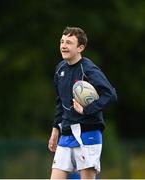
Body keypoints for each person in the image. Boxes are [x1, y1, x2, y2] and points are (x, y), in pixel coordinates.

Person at [48, 26, 117, 179]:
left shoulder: (89, 69)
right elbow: (60, 103)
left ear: (80, 47)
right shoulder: (60, 70)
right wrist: (55, 129)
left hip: (88, 133)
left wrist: (87, 110)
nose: (63, 46)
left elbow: (110, 95)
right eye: (62, 42)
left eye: (69, 43)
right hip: (66, 133)